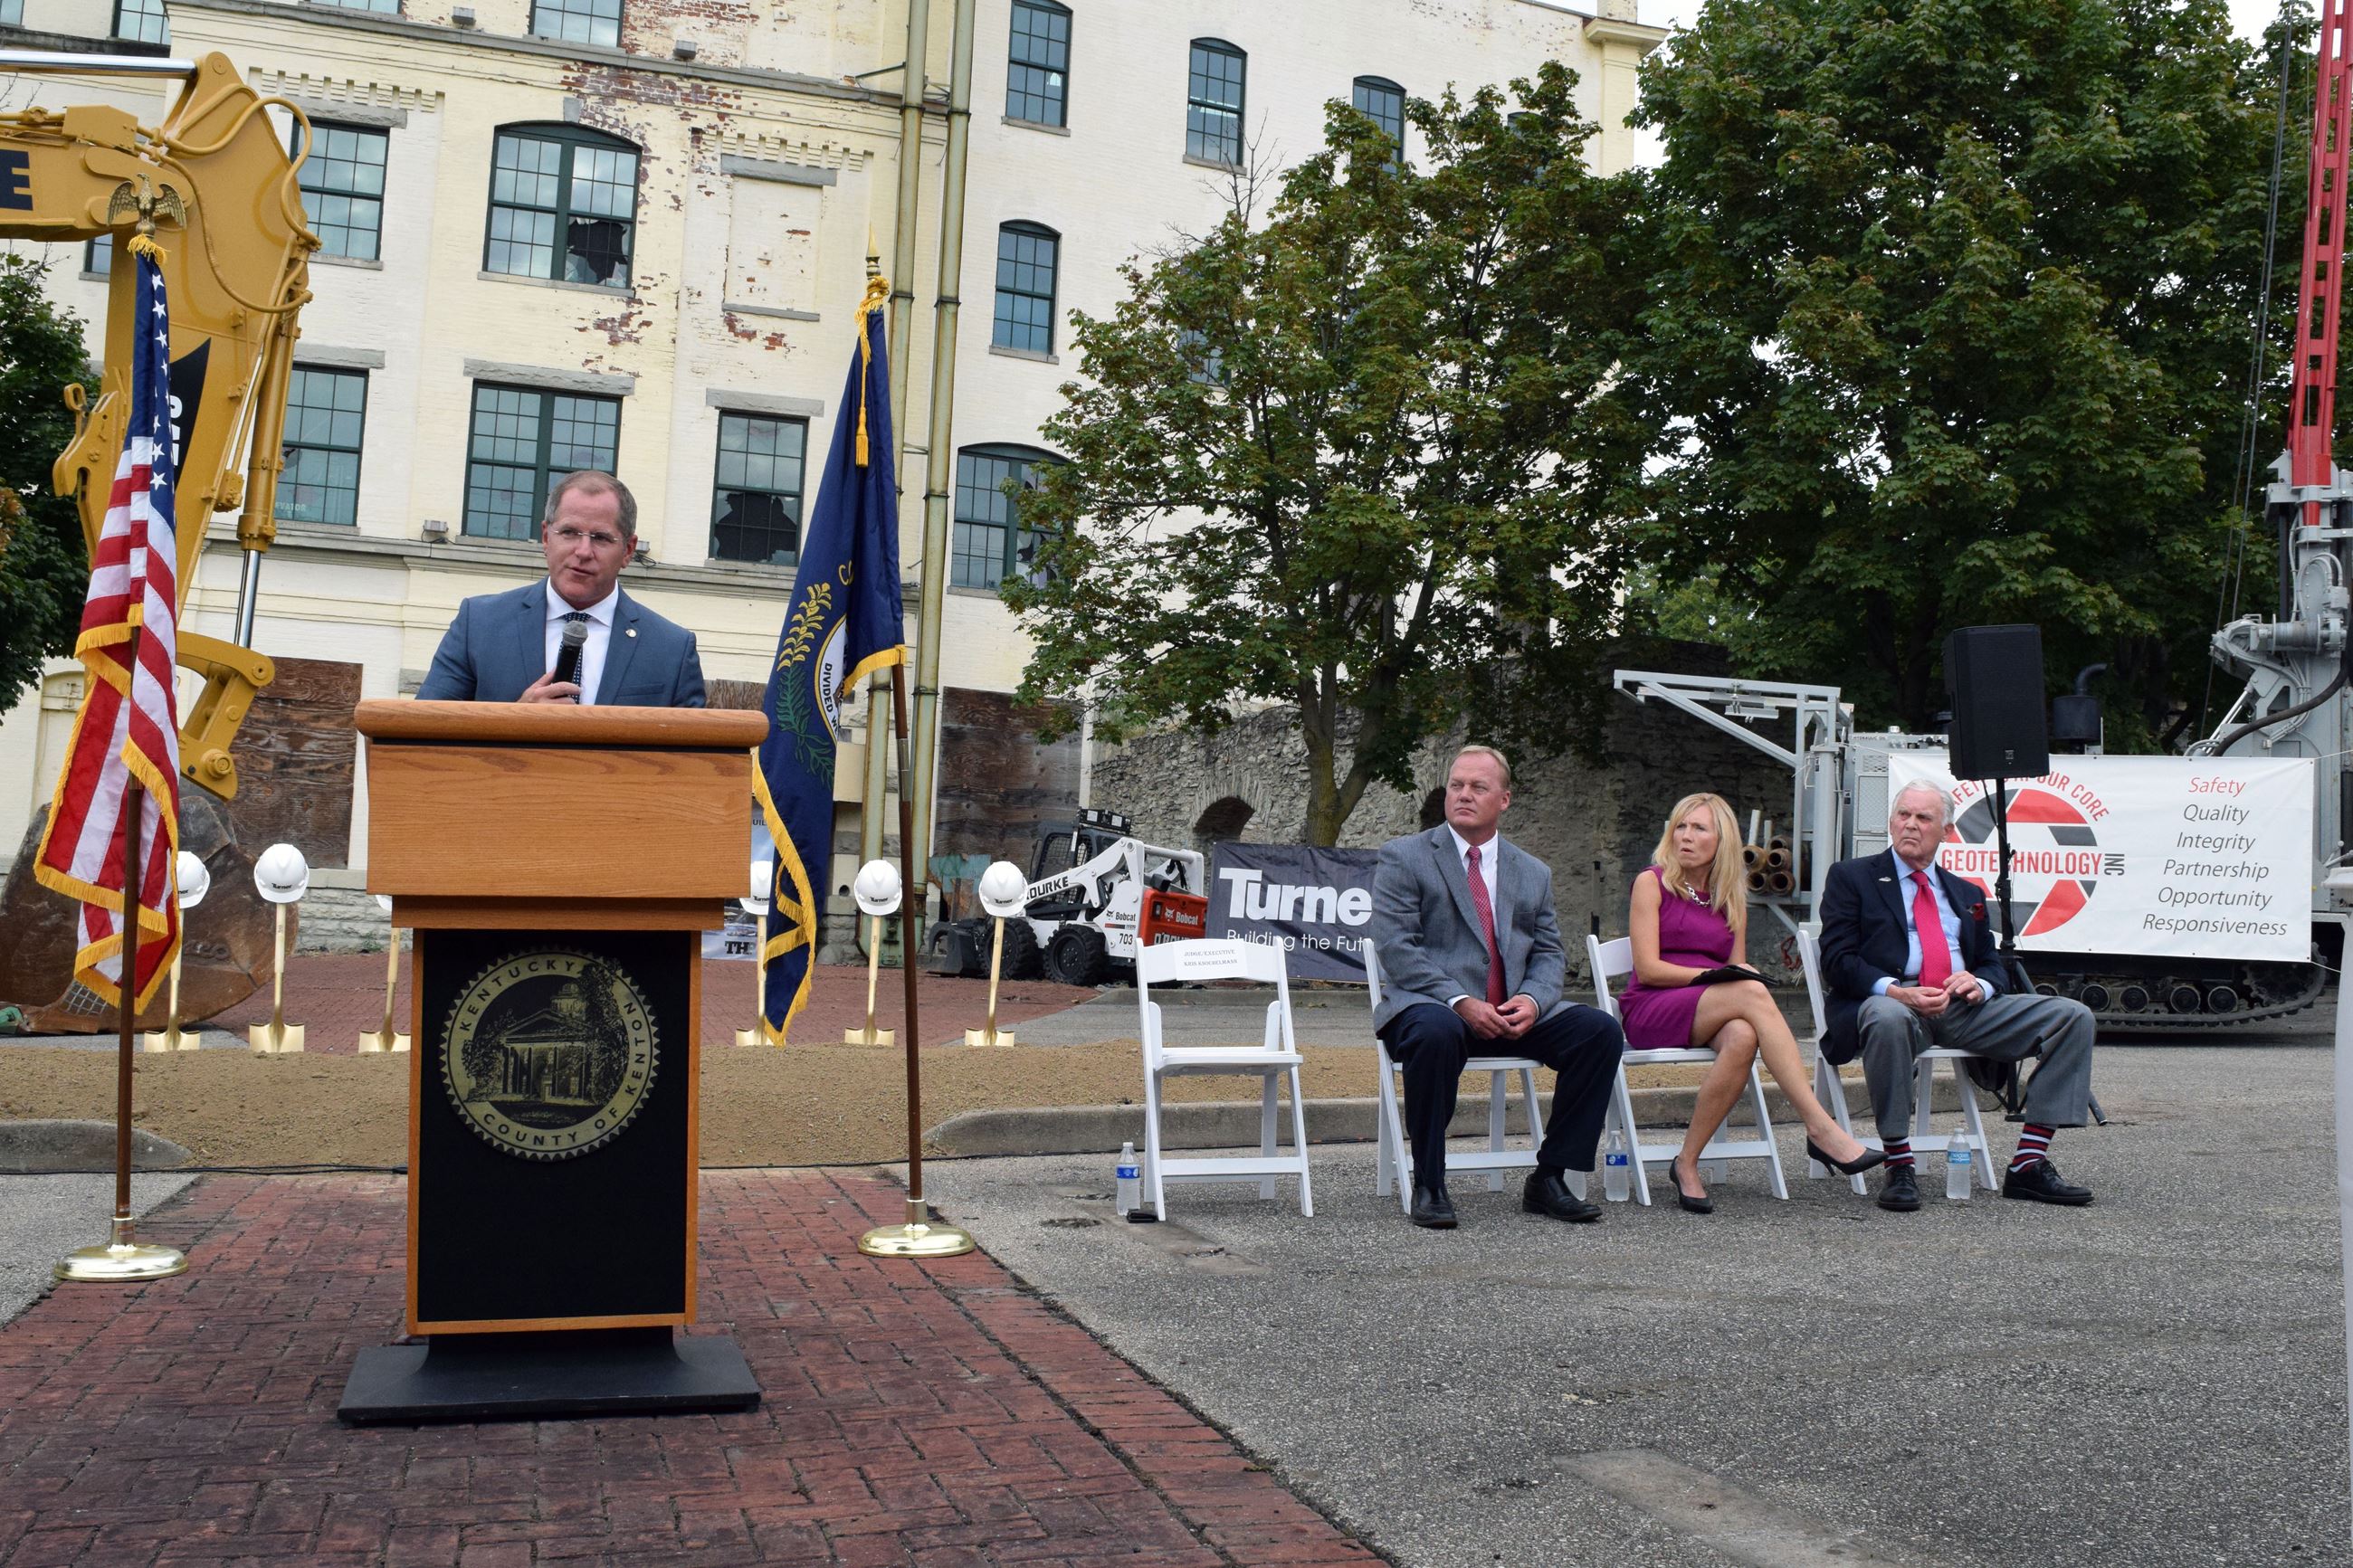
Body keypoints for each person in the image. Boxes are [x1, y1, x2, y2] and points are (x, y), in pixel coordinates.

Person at [1369, 746, 1625, 1230]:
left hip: (1510, 1009)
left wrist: (1531, 1000)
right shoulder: (1405, 856)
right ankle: (1430, 1181)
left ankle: (1549, 1177)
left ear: (1504, 800)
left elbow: (1550, 953)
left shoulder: (1532, 872)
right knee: (1436, 1032)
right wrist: (1461, 1000)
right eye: (1457, 785)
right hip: (1433, 1005)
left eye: (1478, 787)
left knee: (1599, 1030)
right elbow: (1399, 949)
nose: (1464, 795)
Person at [1819, 780, 2098, 1212]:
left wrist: (1979, 984)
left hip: (1959, 1007)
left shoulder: (1967, 893)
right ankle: (1899, 1163)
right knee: (1888, 1017)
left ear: (1947, 831)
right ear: (1892, 821)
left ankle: (2028, 1163)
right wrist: (1896, 992)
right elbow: (1837, 960)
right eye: (1903, 815)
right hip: (1893, 1002)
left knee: (2073, 1016)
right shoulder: (1853, 877)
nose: (1910, 825)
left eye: (1923, 818)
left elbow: (1992, 963)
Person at [1616, 793, 1885, 1213]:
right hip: (1653, 1006)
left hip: (1710, 1006)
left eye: (1699, 828)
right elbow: (1648, 968)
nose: (1686, 836)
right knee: (1751, 991)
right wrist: (1721, 979)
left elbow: (1735, 964)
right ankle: (1820, 1127)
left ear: (1721, 840)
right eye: (1681, 826)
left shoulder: (1729, 893)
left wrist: (1737, 976)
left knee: (1743, 1035)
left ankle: (1686, 1162)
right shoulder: (1652, 882)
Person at [416, 470, 707, 707]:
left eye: (601, 538)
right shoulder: (479, 624)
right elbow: (422, 734)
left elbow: (695, 766)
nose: (583, 551)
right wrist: (515, 722)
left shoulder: (671, 649)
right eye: (569, 533)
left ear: (628, 550)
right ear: (546, 536)